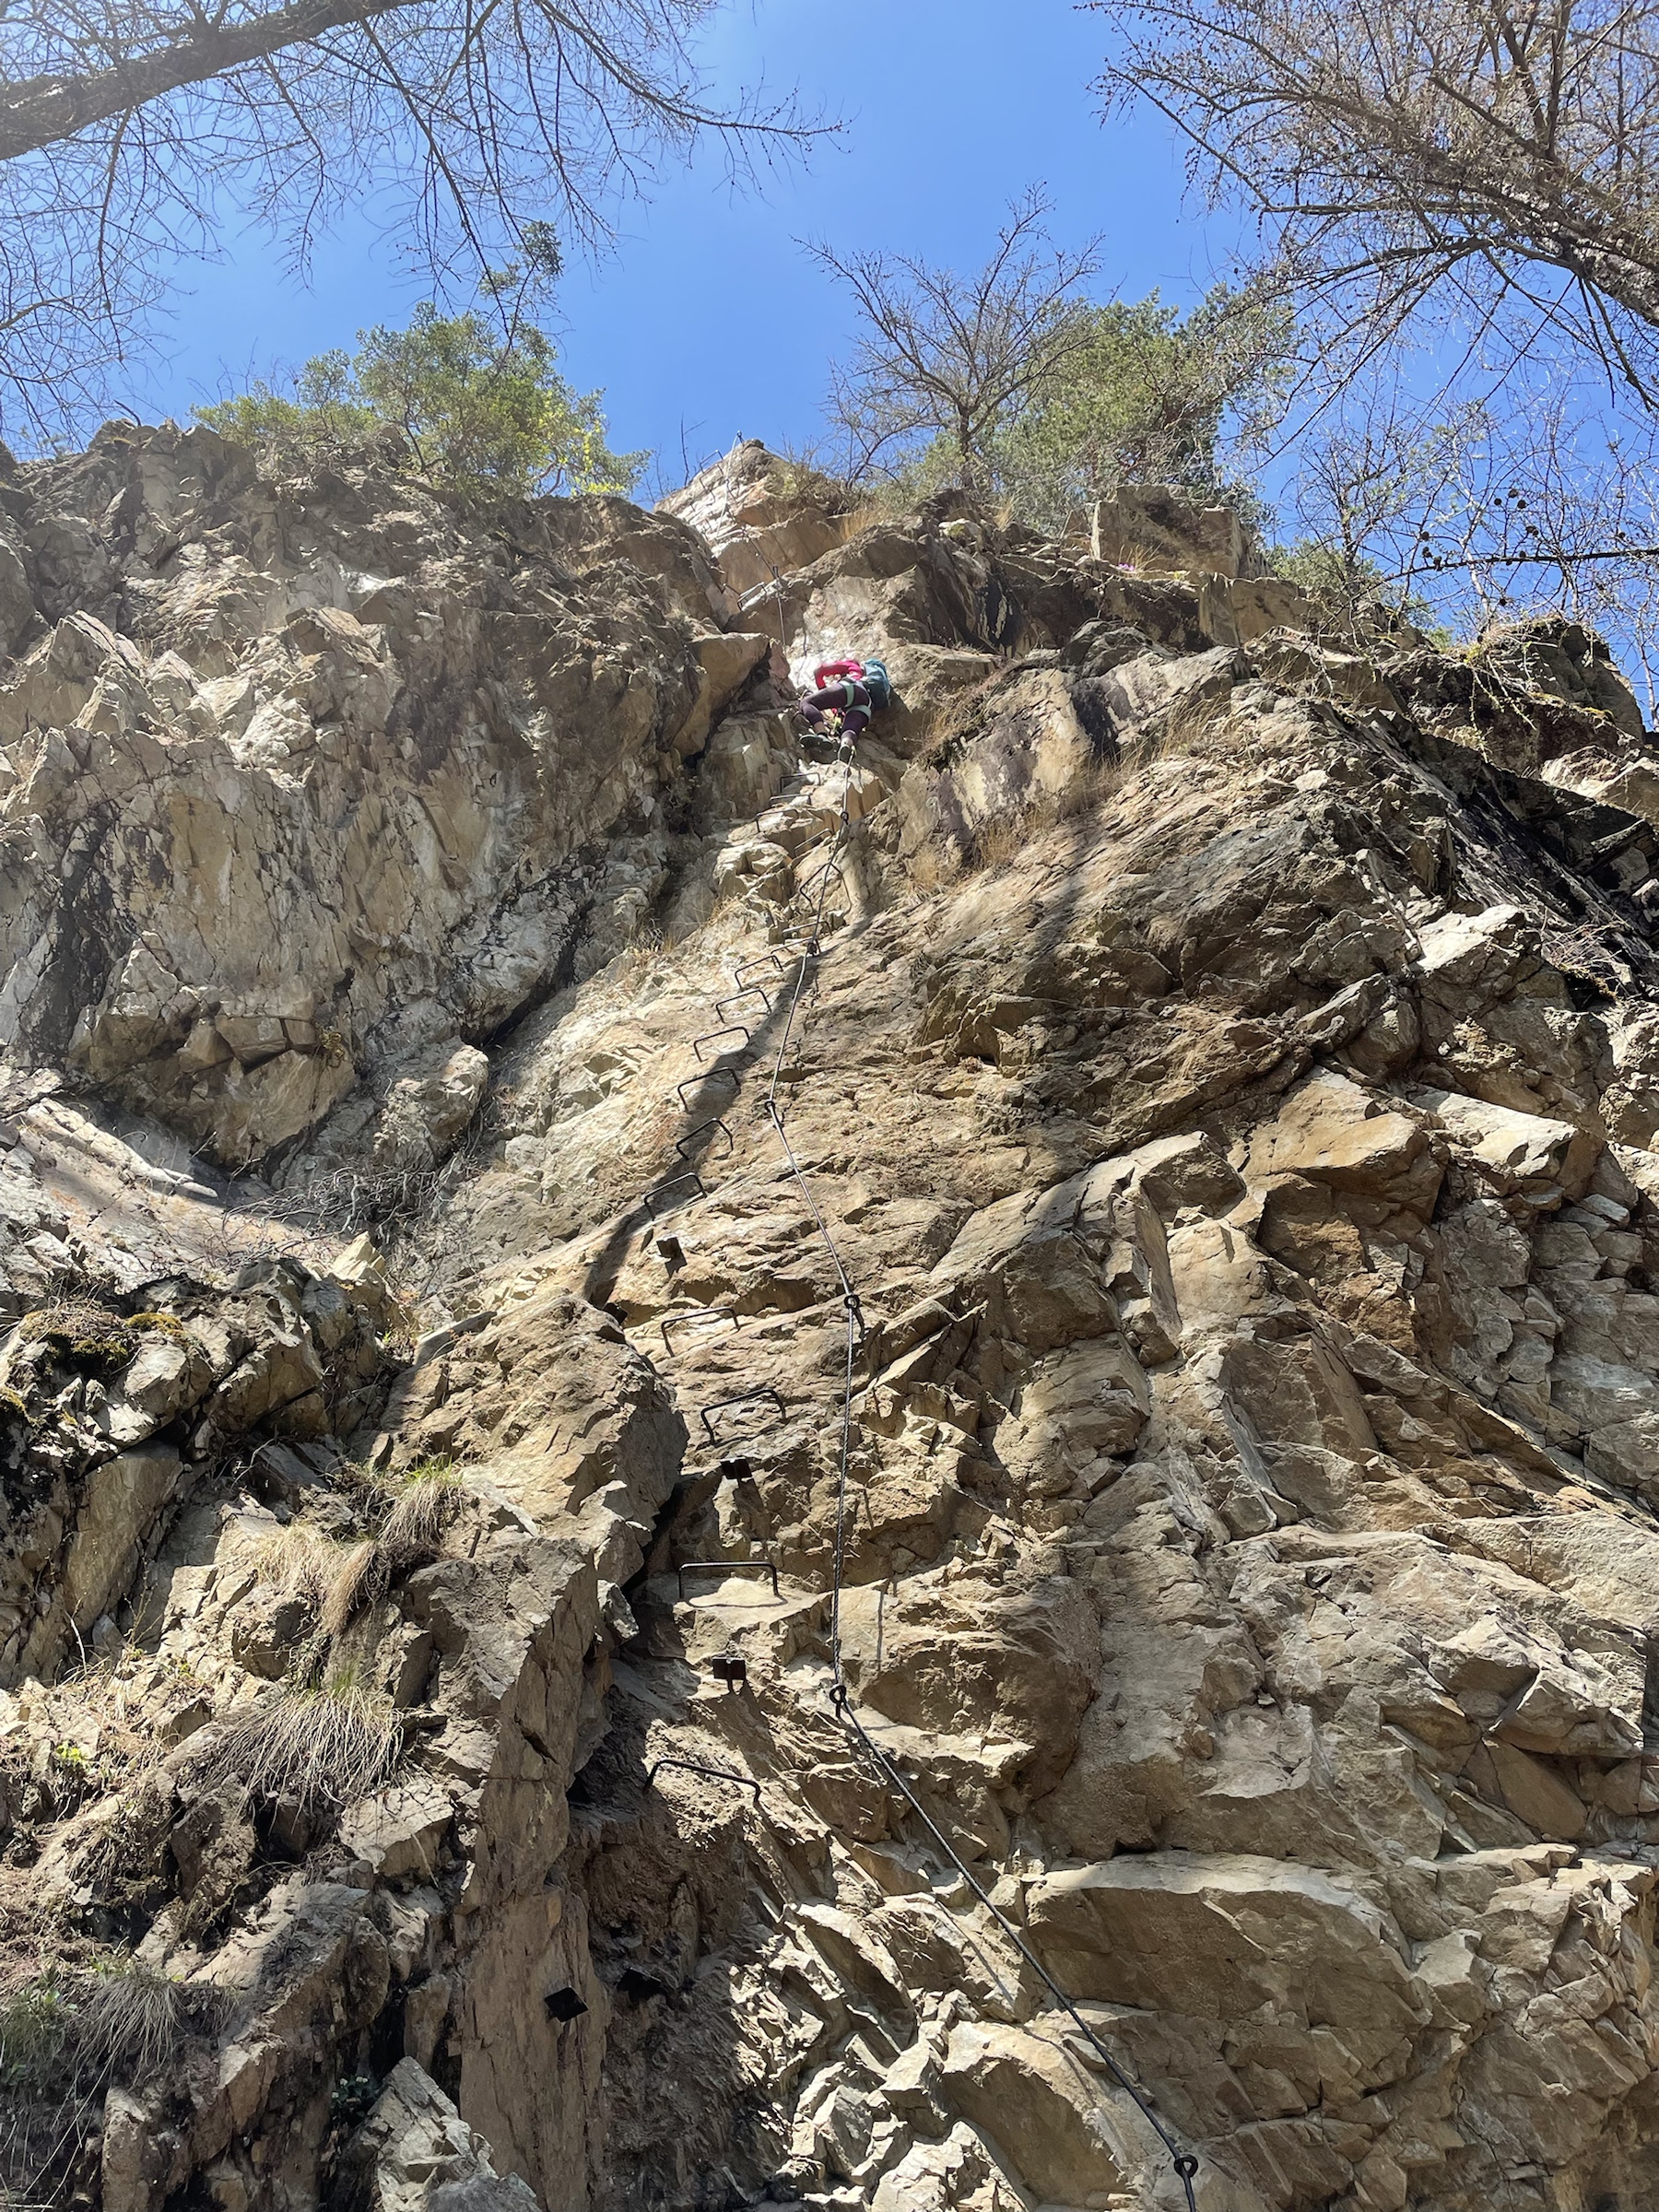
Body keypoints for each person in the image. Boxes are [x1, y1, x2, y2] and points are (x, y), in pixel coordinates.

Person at [794, 654, 892, 743]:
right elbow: (837, 709)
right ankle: (847, 744)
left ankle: (821, 735)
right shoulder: (869, 682)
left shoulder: (852, 665)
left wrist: (822, 689)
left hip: (851, 688)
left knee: (807, 702)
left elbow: (819, 670)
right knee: (850, 728)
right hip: (866, 705)